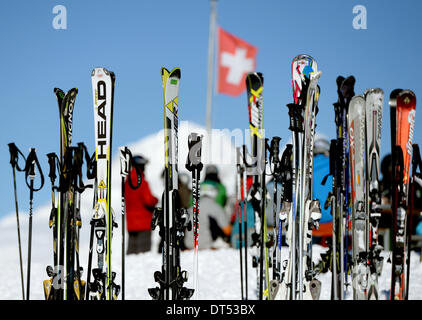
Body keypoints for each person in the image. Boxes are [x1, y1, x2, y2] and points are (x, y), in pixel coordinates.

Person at [125, 155, 158, 254]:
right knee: (143, 254)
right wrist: (156, 200)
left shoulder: (127, 182)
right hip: (143, 222)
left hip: (131, 223)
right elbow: (148, 200)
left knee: (132, 253)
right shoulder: (142, 182)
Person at [184, 182, 232, 250]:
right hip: (207, 245)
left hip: (189, 245)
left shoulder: (192, 208)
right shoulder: (216, 207)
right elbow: (227, 230)